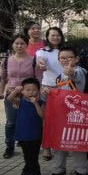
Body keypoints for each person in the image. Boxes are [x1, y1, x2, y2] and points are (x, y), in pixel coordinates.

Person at [45, 46, 88, 175]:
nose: (65, 60)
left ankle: (81, 171)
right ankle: (58, 170)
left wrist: (71, 72)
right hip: (61, 114)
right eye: (62, 58)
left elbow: (74, 75)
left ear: (76, 59)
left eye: (69, 57)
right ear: (58, 60)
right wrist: (49, 91)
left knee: (76, 142)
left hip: (76, 114)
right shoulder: (59, 76)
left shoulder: (79, 71)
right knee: (59, 142)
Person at [0, 34, 42, 159]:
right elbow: (2, 78)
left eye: (22, 43)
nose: (19, 46)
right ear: (12, 45)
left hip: (28, 96)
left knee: (28, 120)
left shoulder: (34, 60)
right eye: (16, 43)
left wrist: (37, 95)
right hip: (11, 94)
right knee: (11, 122)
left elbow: (39, 79)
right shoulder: (6, 61)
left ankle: (25, 142)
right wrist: (0, 92)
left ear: (27, 45)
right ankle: (9, 146)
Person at [6, 78, 45, 175]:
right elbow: (9, 98)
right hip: (22, 134)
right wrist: (15, 91)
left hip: (36, 134)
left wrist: (35, 103)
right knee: (27, 155)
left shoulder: (41, 103)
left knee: (33, 155)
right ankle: (32, 173)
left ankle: (30, 172)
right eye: (27, 90)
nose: (31, 92)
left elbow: (42, 115)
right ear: (23, 91)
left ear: (38, 90)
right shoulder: (20, 102)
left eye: (34, 89)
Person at [36, 26, 65, 160]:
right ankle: (46, 147)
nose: (55, 37)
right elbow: (40, 60)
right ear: (47, 37)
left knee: (61, 118)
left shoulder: (65, 51)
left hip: (64, 87)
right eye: (52, 35)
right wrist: (42, 64)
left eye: (58, 35)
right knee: (46, 119)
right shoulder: (42, 51)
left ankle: (60, 145)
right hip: (47, 88)